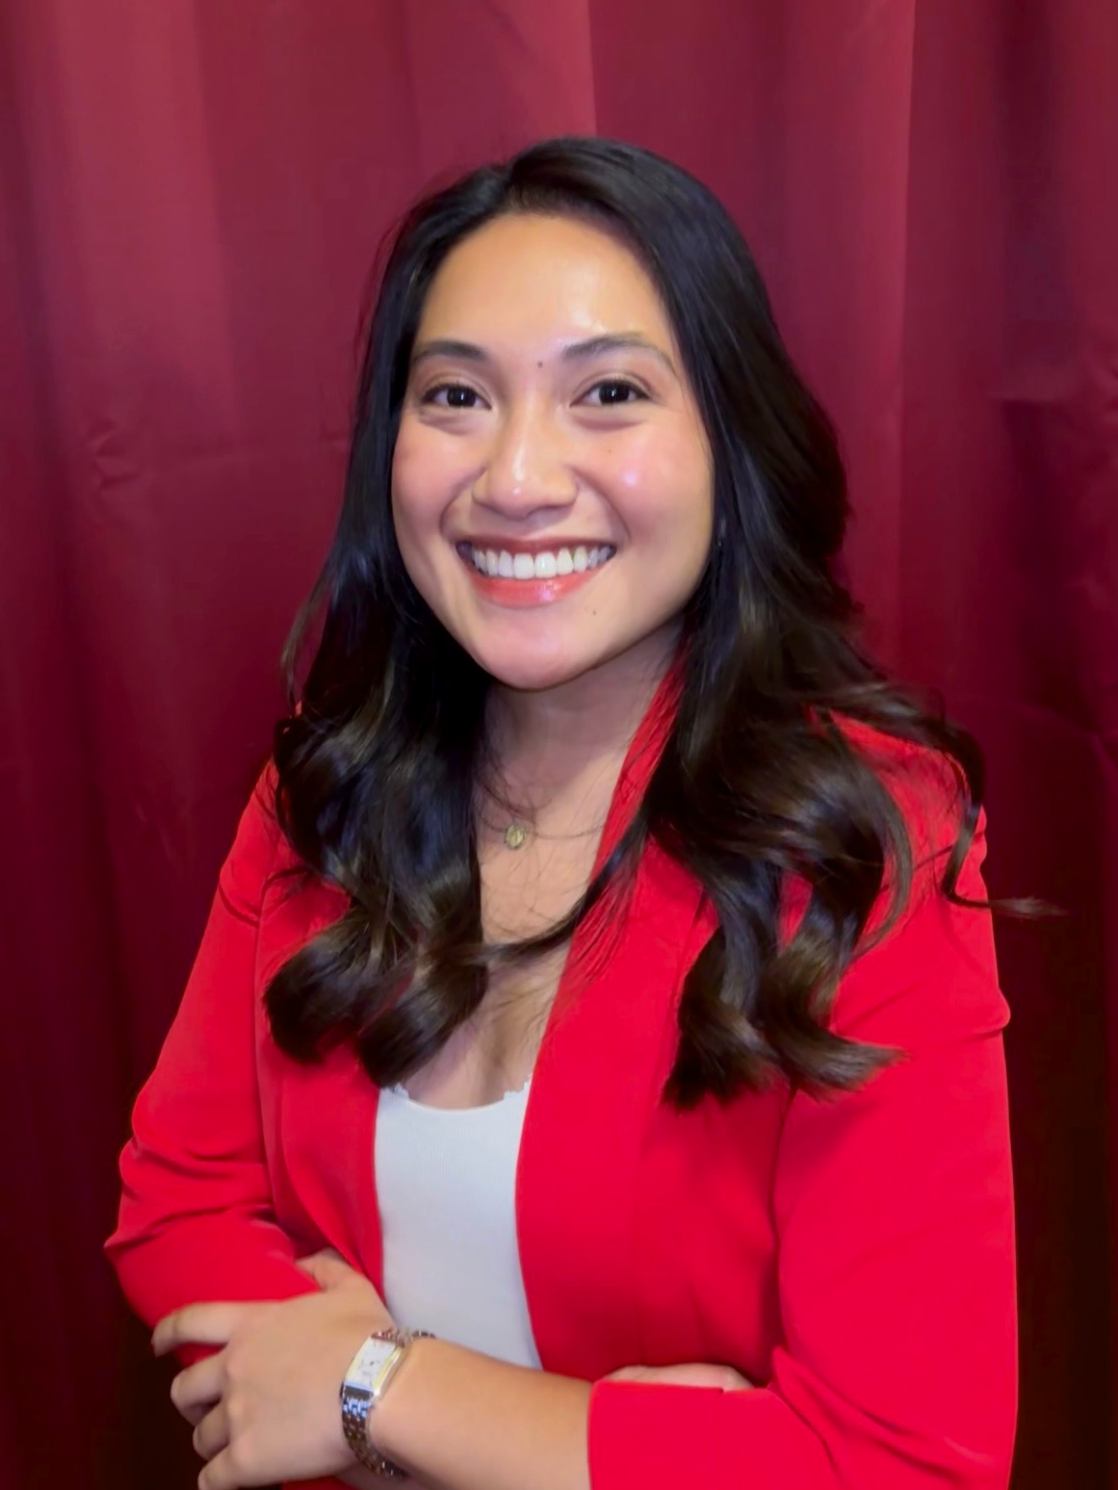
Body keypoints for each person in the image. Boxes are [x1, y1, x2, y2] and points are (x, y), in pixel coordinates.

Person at [106, 136, 1017, 1490]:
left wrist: (377, 1390)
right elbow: (174, 1201)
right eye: (456, 395)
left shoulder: (865, 837)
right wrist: (629, 1440)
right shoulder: (322, 788)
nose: (516, 477)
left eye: (606, 393)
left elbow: (901, 1462)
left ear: (729, 439)